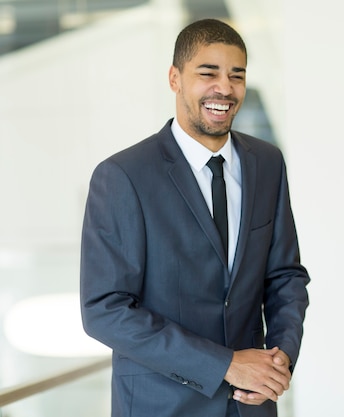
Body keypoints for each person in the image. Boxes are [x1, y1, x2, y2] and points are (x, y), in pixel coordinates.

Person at [79, 18, 310, 417]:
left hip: (250, 407)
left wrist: (280, 359)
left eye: (236, 76)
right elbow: (105, 309)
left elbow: (285, 276)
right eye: (208, 73)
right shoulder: (123, 176)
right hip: (162, 405)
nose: (225, 88)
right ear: (175, 78)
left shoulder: (267, 164)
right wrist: (225, 365)